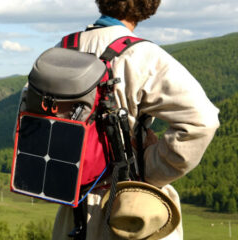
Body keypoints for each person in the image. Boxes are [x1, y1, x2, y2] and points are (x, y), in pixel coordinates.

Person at [51, 0, 220, 239]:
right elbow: (202, 121)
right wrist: (149, 168)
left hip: (72, 212)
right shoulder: (142, 55)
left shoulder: (61, 50)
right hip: (132, 211)